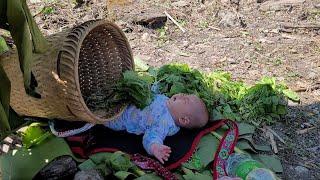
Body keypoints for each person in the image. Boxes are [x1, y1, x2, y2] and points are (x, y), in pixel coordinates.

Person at [50, 85, 209, 164]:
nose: (182, 95)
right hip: (126, 101)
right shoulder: (167, 102)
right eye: (186, 95)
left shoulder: (164, 123)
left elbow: (152, 137)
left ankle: (73, 112)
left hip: (119, 117)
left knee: (97, 112)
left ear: (184, 120)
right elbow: (152, 96)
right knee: (104, 93)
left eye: (185, 99)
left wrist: (155, 148)